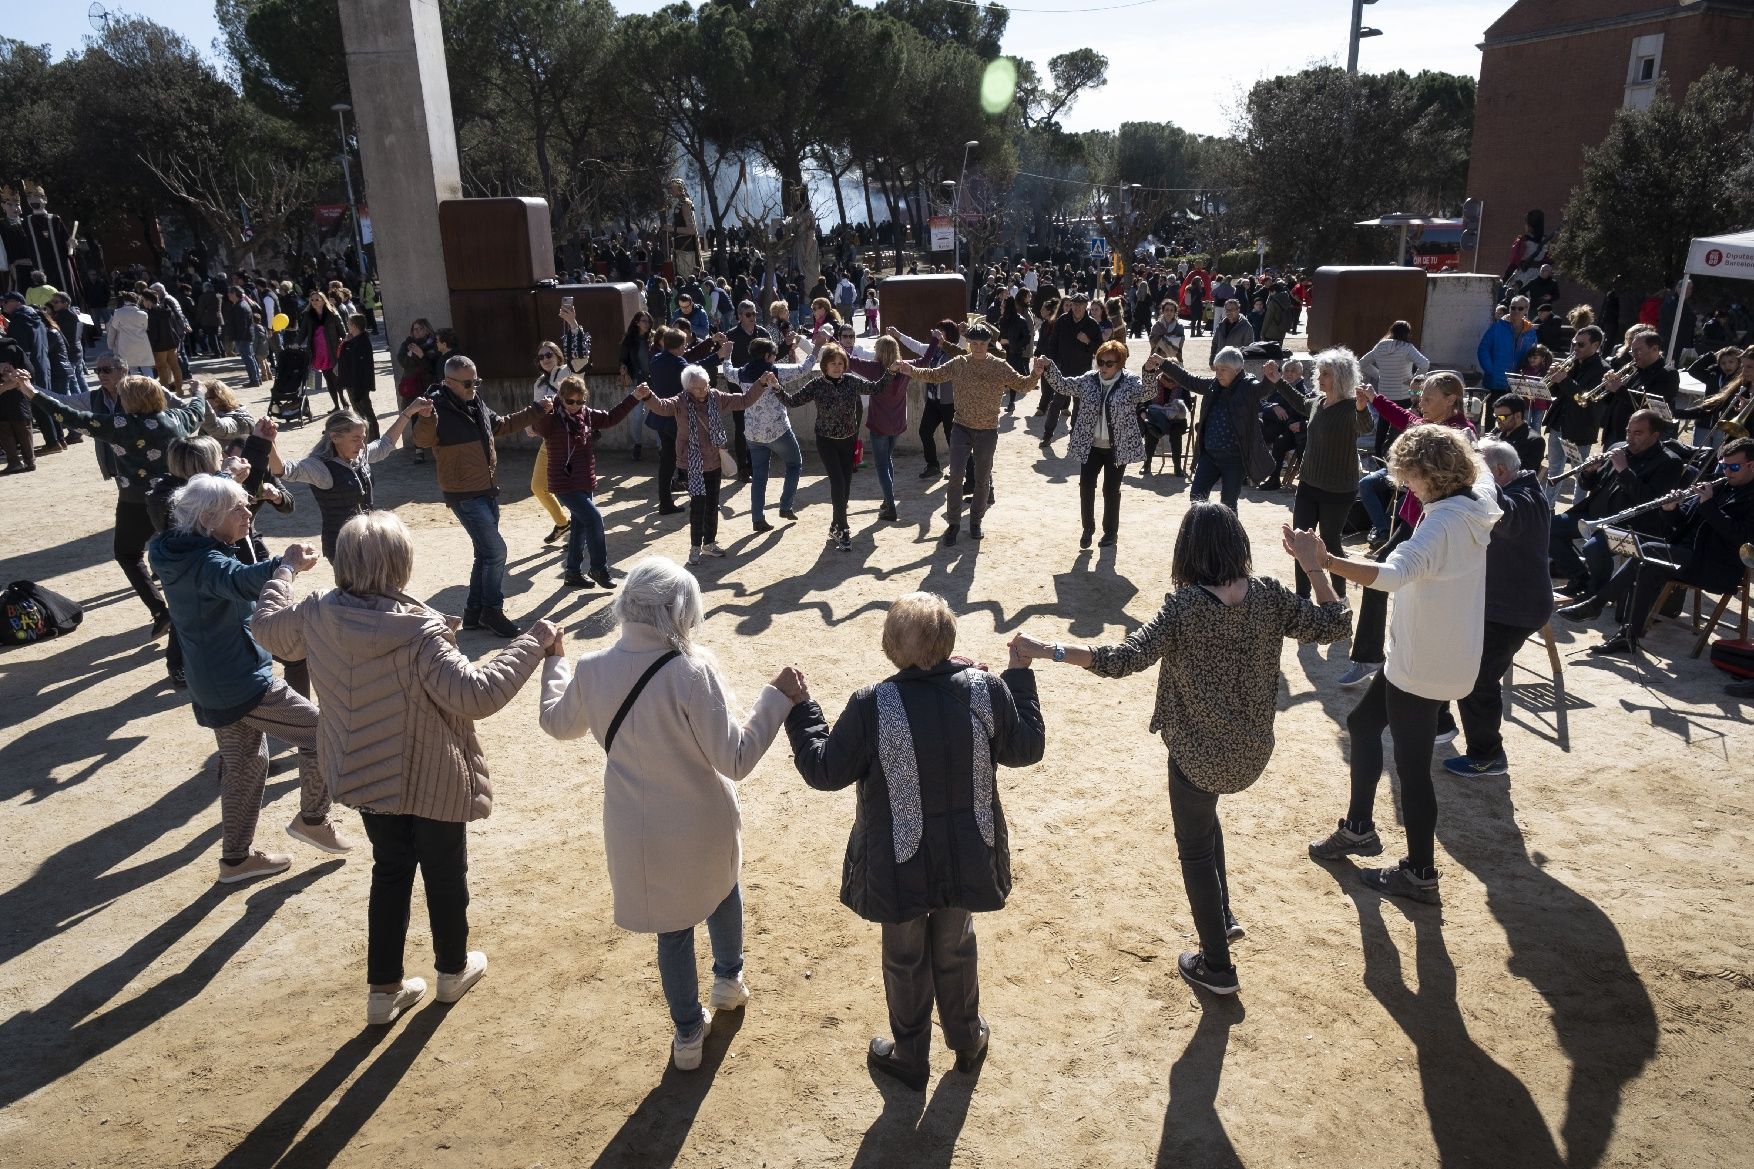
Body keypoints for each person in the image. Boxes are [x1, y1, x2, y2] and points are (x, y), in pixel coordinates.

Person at [1013, 503, 1351, 993]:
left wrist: (1049, 650)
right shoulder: (1269, 596)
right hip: (1253, 751)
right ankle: (1223, 915)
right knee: (1205, 824)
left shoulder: (1185, 607)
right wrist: (1314, 566)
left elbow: (1123, 660)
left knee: (1193, 849)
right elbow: (1337, 622)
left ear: (1187, 552)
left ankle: (1217, 966)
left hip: (1197, 756)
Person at [254, 511, 558, 1024]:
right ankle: (451, 969)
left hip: (360, 771)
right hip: (429, 772)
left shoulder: (316, 613)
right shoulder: (419, 631)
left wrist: (283, 572)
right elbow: (475, 695)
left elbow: (266, 627)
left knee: (389, 871)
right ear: (401, 565)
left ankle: (383, 990)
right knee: (444, 872)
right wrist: (534, 641)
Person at [537, 557, 798, 1071]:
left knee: (672, 929)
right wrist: (777, 699)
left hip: (635, 827)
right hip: (702, 818)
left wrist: (556, 661)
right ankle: (728, 978)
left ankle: (686, 1034)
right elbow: (735, 758)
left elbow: (556, 723)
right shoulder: (692, 670)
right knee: (724, 889)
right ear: (682, 610)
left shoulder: (592, 669)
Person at [787, 592, 1045, 1085]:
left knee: (905, 956)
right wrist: (1017, 675)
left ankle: (910, 1055)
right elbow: (1027, 747)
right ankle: (967, 1040)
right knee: (956, 943)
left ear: (891, 646)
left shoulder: (872, 703)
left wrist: (801, 710)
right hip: (968, 848)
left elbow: (824, 769)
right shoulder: (983, 688)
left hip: (900, 860)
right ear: (949, 642)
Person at [1304, 426, 1503, 905]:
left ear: (1430, 475)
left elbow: (1392, 576)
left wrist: (1325, 560)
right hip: (1434, 653)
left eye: (1409, 476)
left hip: (1422, 663)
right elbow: (1479, 460)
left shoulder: (1441, 524)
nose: (1404, 486)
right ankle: (1358, 828)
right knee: (1362, 721)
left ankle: (1419, 873)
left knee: (1412, 771)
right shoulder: (1476, 496)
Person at [147, 475, 356, 883]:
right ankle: (313, 818)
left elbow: (231, 569)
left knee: (245, 764)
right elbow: (238, 580)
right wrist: (287, 566)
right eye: (238, 509)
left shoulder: (175, 551)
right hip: (240, 679)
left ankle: (236, 860)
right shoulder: (205, 562)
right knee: (322, 733)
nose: (248, 514)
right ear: (208, 519)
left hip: (213, 680)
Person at [25, 370, 206, 643]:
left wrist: (31, 391)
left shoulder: (120, 425)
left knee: (127, 554)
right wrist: (200, 392)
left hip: (135, 501)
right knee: (180, 558)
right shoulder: (175, 419)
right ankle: (191, 613)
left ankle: (160, 611)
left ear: (130, 400)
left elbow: (69, 416)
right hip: (176, 499)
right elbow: (197, 411)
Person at [1341, 372, 1478, 686]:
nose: (1422, 405)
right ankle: (1369, 656)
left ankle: (1395, 658)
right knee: (1382, 576)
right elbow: (1406, 418)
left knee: (1407, 587)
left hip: (1437, 525)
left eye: (1429, 399)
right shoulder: (1428, 424)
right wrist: (1376, 398)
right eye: (1422, 398)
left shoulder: (1462, 434)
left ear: (1451, 400)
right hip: (1412, 518)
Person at [1567, 437, 1754, 656]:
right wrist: (1670, 509)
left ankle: (1597, 603)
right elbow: (1679, 525)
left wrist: (1709, 506)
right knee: (1647, 564)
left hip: (1717, 565)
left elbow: (1741, 537)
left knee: (1648, 551)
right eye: (1723, 466)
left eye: (1733, 467)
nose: (1726, 472)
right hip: (1685, 555)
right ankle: (1627, 637)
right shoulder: (1719, 484)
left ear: (1751, 465)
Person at [1440, 438, 1554, 776]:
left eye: (1475, 472)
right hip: (1493, 603)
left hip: (1513, 611)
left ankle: (1487, 754)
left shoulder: (1527, 498)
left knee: (1478, 679)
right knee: (1451, 656)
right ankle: (1440, 722)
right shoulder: (1515, 488)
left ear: (1498, 473)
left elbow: (1502, 514)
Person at [412, 355, 547, 637]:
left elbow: (502, 425)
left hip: (486, 489)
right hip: (463, 493)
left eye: (477, 381)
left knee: (484, 554)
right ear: (449, 382)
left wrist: (536, 410)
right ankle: (492, 611)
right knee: (496, 551)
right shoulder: (435, 408)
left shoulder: (476, 402)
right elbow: (422, 441)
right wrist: (425, 418)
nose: (474, 386)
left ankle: (473, 614)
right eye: (469, 382)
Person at [894, 323, 1044, 546]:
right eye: (974, 343)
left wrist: (1036, 373)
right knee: (955, 477)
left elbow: (1022, 385)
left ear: (988, 344)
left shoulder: (999, 366)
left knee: (982, 480)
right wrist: (911, 369)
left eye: (982, 344)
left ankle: (975, 521)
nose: (978, 348)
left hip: (987, 430)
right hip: (961, 427)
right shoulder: (960, 362)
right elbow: (935, 375)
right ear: (969, 344)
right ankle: (953, 523)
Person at [1550, 410, 1685, 605]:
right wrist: (1589, 472)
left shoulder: (1669, 462)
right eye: (1628, 432)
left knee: (1593, 548)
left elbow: (1650, 501)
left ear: (1654, 436)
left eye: (1638, 433)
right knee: (1549, 527)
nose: (1630, 438)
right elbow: (1588, 486)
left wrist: (1624, 470)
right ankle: (1580, 578)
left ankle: (1596, 594)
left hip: (1629, 524)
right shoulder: (1618, 447)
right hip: (1592, 515)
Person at [270, 401, 434, 560]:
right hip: (342, 549)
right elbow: (282, 470)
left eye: (363, 438)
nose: (362, 445)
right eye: (355, 439)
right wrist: (268, 442)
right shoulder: (320, 468)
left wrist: (408, 412)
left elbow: (385, 444)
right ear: (335, 437)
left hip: (369, 542)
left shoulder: (359, 456)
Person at [638, 360, 765, 563]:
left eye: (704, 386)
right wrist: (647, 396)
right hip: (692, 462)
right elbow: (661, 407)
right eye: (696, 388)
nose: (701, 391)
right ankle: (695, 547)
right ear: (687, 388)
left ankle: (710, 543)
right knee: (698, 505)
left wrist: (761, 383)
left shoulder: (715, 396)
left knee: (713, 503)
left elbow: (743, 401)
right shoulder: (680, 401)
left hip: (713, 460)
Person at [1041, 341, 1163, 547]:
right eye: (1100, 362)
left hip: (1117, 448)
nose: (1103, 367)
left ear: (1120, 364)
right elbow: (1062, 384)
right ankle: (1088, 529)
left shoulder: (1130, 382)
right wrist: (1048, 366)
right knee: (1086, 487)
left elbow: (1149, 393)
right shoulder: (1088, 380)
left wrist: (1148, 371)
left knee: (1111, 490)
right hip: (1091, 447)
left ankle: (1110, 532)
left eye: (1109, 363)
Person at [531, 374, 639, 588]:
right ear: (561, 398)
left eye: (580, 401)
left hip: (585, 480)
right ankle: (599, 567)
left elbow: (610, 418)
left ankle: (572, 573)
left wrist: (634, 397)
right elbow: (538, 428)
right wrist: (545, 408)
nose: (575, 406)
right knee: (594, 519)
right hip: (563, 482)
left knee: (580, 525)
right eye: (570, 401)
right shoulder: (551, 418)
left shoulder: (586, 415)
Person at [775, 342, 883, 550]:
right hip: (826, 441)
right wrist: (776, 388)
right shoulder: (816, 384)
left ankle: (835, 524)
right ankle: (843, 529)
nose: (837, 367)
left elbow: (876, 388)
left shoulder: (852, 381)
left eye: (841, 363)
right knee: (838, 483)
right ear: (825, 365)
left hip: (848, 440)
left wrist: (892, 372)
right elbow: (792, 401)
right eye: (833, 363)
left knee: (846, 486)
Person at [1286, 349, 1375, 598]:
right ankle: (1302, 599)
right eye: (1320, 372)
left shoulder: (1350, 408)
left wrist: (1361, 408)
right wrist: (1276, 381)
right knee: (1299, 542)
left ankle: (1338, 599)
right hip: (1308, 484)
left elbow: (1365, 426)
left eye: (1327, 374)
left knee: (1331, 544)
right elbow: (1298, 401)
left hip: (1338, 489)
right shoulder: (1317, 402)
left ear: (1342, 377)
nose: (1320, 377)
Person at [1157, 348, 1274, 512]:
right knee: (1196, 498)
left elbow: (1262, 389)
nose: (1218, 373)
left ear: (1237, 370)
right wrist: (1164, 364)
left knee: (1229, 505)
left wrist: (1270, 379)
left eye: (1223, 370)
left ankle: (1230, 537)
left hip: (1235, 459)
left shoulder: (1247, 386)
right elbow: (1188, 379)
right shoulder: (1213, 385)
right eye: (1217, 369)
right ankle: (1201, 534)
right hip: (1209, 456)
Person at [735, 334, 817, 532]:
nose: (775, 358)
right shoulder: (776, 372)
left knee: (760, 476)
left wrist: (726, 355)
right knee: (794, 463)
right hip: (778, 430)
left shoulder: (740, 373)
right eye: (773, 354)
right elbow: (805, 369)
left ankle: (757, 518)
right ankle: (785, 506)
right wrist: (818, 346)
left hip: (753, 433)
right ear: (766, 356)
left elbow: (728, 369)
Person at [1541, 325, 1608, 497]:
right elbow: (1557, 393)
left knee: (1581, 473)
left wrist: (1564, 379)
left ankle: (1576, 511)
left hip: (1580, 428)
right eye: (1574, 344)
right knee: (1554, 469)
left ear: (1595, 345)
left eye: (1581, 345)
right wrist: (1555, 380)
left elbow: (1584, 400)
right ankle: (1548, 508)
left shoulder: (1603, 369)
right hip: (1559, 423)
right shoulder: (1572, 364)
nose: (1575, 348)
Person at [1358, 321, 1432, 460]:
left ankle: (1379, 458)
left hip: (1384, 394)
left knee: (1382, 426)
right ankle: (1399, 457)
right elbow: (1425, 364)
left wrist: (1379, 375)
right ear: (1407, 333)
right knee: (1401, 427)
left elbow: (1362, 363)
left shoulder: (1380, 346)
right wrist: (1413, 381)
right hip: (1404, 394)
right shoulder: (1407, 348)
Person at [1037, 294, 1101, 445]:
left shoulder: (1091, 325)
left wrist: (1088, 341)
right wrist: (1050, 364)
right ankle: (1047, 435)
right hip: (1063, 371)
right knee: (1055, 404)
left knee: (1079, 406)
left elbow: (1100, 349)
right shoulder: (1063, 320)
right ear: (1071, 305)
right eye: (1074, 304)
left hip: (1083, 372)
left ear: (1086, 306)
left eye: (1081, 304)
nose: (1077, 308)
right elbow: (1053, 343)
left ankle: (1074, 436)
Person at [530, 340, 572, 545]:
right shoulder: (538, 383)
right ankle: (563, 523)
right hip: (548, 441)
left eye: (549, 355)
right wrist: (531, 424)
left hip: (569, 440)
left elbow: (580, 361)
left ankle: (579, 535)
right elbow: (537, 410)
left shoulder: (566, 373)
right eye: (541, 356)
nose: (545, 359)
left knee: (569, 489)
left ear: (558, 356)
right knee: (538, 487)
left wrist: (572, 324)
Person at [914, 321, 962, 479]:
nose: (938, 333)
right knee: (925, 431)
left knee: (952, 438)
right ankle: (933, 466)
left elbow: (963, 354)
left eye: (942, 331)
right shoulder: (932, 350)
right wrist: (898, 335)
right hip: (933, 400)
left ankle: (958, 470)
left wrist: (944, 342)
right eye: (937, 330)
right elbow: (915, 346)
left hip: (949, 402)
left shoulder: (953, 352)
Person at [1477, 295, 1537, 400]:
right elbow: (1483, 349)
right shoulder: (1497, 327)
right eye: (1513, 307)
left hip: (1518, 384)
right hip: (1495, 382)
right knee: (1492, 415)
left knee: (1513, 415)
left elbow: (1533, 354)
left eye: (1520, 308)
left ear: (1526, 310)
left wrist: (1527, 374)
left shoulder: (1530, 332)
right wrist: (1491, 370)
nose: (1516, 311)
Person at [395, 318, 439, 459]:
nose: (417, 332)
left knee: (433, 415)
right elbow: (402, 361)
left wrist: (421, 355)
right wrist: (417, 358)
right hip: (412, 385)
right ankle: (418, 450)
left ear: (427, 329)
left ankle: (436, 446)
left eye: (420, 328)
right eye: (414, 329)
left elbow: (433, 367)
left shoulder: (434, 344)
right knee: (414, 416)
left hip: (428, 385)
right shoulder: (408, 343)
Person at [336, 313, 379, 441]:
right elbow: (342, 358)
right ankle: (367, 439)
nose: (347, 326)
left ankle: (374, 439)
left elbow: (361, 367)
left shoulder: (362, 342)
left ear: (354, 325)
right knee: (359, 413)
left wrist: (360, 386)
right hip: (351, 382)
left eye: (349, 323)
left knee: (366, 413)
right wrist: (345, 343)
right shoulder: (352, 340)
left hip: (359, 383)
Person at [302, 291, 345, 413]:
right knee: (328, 379)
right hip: (318, 351)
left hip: (332, 349)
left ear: (323, 300)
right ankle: (336, 405)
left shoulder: (332, 313)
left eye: (317, 299)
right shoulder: (308, 315)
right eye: (312, 300)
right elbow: (302, 332)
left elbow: (342, 331)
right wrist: (296, 343)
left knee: (336, 378)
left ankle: (343, 400)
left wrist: (345, 339)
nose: (314, 302)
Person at [1491, 394, 1545, 472]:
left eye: (1502, 417)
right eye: (1495, 416)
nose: (1497, 421)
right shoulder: (1498, 433)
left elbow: (1524, 475)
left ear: (1517, 416)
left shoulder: (1534, 441)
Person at [106, 291, 155, 376]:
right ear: (137, 301)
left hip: (126, 345)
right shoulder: (143, 314)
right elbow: (145, 327)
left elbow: (115, 326)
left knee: (132, 369)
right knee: (146, 368)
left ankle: (135, 387)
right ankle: (152, 387)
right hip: (142, 344)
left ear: (125, 301)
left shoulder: (118, 312)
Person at [1208, 299, 1253, 366]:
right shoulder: (1221, 325)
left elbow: (1248, 348)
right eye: (1227, 310)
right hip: (1220, 363)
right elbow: (1215, 344)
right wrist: (1212, 361)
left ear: (1238, 310)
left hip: (1235, 366)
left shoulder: (1246, 327)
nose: (1229, 312)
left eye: (1232, 310)